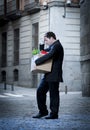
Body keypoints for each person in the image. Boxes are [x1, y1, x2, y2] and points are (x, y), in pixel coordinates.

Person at [33, 31, 64, 119]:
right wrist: (41, 44)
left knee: (53, 94)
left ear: (51, 38)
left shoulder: (57, 46)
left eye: (46, 40)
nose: (46, 42)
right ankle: (43, 111)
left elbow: (49, 55)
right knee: (40, 91)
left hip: (54, 74)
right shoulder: (52, 46)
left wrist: (37, 62)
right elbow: (43, 52)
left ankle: (54, 114)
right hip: (48, 74)